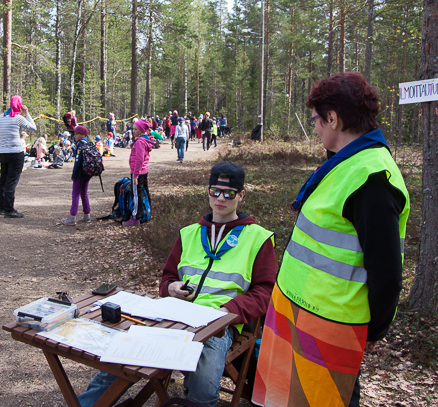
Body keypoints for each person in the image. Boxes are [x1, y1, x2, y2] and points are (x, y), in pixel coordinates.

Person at [252, 72, 410, 407]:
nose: (315, 129)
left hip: (330, 326)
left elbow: (386, 274)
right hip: (295, 312)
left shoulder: (373, 179)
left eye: (316, 120)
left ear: (333, 119)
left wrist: (376, 329)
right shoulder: (345, 163)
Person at [77, 162, 277, 407]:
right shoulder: (189, 233)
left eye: (229, 193)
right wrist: (171, 288)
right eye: (215, 191)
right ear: (208, 191)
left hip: (218, 326)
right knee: (119, 359)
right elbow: (167, 279)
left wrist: (228, 310)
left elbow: (265, 292)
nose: (220, 198)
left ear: (241, 195)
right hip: (173, 317)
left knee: (204, 384)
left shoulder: (258, 238)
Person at [0, 95, 37, 218]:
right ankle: (9, 210)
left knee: (3, 179)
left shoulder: (0, 117)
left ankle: (2, 208)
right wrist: (27, 113)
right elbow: (33, 127)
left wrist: (4, 142)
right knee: (11, 180)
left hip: (3, 152)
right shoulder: (18, 118)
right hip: (16, 152)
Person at [124, 119, 155, 226]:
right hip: (143, 171)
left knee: (137, 194)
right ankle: (147, 212)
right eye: (133, 129)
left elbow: (139, 159)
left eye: (136, 129)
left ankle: (136, 217)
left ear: (142, 130)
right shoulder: (144, 140)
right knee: (144, 192)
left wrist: (136, 175)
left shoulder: (140, 142)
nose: (133, 131)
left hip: (138, 172)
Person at [61, 126, 93, 226]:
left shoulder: (80, 145)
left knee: (75, 194)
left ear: (83, 135)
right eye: (74, 134)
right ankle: (87, 214)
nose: (74, 136)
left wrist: (73, 175)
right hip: (88, 172)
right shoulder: (89, 143)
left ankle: (72, 216)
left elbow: (77, 162)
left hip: (80, 173)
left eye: (77, 134)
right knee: (84, 193)